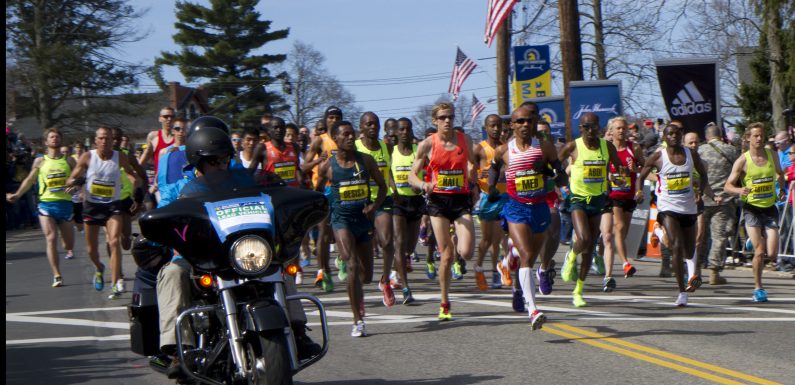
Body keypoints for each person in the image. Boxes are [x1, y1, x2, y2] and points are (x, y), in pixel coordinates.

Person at [157, 121, 320, 378]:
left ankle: (297, 331)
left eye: (223, 159)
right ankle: (178, 349)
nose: (219, 165)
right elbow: (162, 214)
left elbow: (270, 197)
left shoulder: (243, 179)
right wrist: (157, 228)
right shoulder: (180, 188)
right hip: (198, 256)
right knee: (172, 273)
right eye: (213, 161)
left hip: (240, 251)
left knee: (279, 264)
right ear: (198, 162)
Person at [488, 106, 566, 330]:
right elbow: (493, 168)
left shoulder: (545, 148)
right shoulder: (504, 150)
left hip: (540, 208)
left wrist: (550, 172)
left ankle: (514, 280)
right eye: (519, 121)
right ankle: (533, 309)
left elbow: (561, 178)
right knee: (528, 254)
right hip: (517, 208)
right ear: (512, 125)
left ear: (534, 123)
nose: (524, 125)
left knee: (528, 258)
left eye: (529, 121)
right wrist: (492, 187)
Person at [315, 120, 387, 336]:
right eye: (344, 134)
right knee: (353, 266)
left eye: (351, 134)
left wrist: (374, 206)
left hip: (363, 220)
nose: (349, 137)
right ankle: (358, 321)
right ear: (335, 139)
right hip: (341, 221)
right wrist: (321, 212)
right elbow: (317, 192)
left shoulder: (366, 160)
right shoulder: (327, 166)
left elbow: (382, 186)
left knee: (366, 277)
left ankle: (358, 293)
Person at [408, 102, 477, 321]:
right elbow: (412, 175)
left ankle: (455, 242)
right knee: (446, 256)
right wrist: (422, 185)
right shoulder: (427, 144)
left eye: (451, 117)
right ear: (435, 121)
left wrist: (474, 185)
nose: (448, 121)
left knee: (466, 252)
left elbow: (473, 165)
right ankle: (445, 302)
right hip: (438, 202)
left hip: (460, 200)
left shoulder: (465, 140)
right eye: (443, 117)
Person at [639, 124, 713, 307]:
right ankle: (682, 291)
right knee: (677, 247)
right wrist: (639, 191)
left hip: (688, 208)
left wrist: (700, 192)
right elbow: (641, 175)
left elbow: (703, 175)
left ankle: (658, 232)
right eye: (669, 134)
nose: (673, 136)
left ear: (681, 135)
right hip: (667, 208)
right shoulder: (658, 156)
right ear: (664, 137)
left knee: (689, 250)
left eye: (676, 133)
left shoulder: (690, 154)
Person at [66, 127, 145, 299]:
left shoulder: (119, 157)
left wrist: (137, 191)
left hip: (112, 205)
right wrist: (78, 180)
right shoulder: (88, 157)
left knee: (114, 241)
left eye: (107, 138)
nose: (104, 141)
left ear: (112, 141)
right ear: (96, 141)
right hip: (92, 205)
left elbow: (133, 176)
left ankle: (116, 282)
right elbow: (70, 179)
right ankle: (99, 268)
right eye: (101, 138)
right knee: (91, 249)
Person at [557, 112, 626, 307]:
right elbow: (555, 163)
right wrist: (559, 183)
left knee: (588, 250)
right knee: (585, 238)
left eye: (593, 126)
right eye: (586, 127)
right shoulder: (573, 146)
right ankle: (570, 257)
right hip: (578, 199)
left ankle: (578, 291)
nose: (590, 130)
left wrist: (619, 177)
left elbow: (619, 167)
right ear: (580, 129)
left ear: (599, 128)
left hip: (598, 200)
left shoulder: (607, 146)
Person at [724, 123, 787, 303]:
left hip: (769, 208)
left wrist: (781, 189)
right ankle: (758, 288)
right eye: (756, 136)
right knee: (759, 252)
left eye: (761, 135)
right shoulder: (742, 160)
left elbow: (780, 173)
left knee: (773, 254)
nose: (759, 139)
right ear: (748, 138)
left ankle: (753, 240)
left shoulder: (772, 155)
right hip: (751, 208)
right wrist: (739, 191)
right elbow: (728, 186)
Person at [6, 128, 77, 287]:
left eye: (57, 136)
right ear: (46, 142)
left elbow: (80, 178)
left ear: (61, 140)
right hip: (46, 204)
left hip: (65, 205)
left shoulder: (69, 160)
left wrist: (76, 187)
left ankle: (67, 245)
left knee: (68, 245)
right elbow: (30, 180)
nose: (55, 139)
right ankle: (57, 275)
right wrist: (17, 194)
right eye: (52, 137)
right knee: (51, 238)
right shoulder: (40, 161)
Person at [354, 112, 399, 306]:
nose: (373, 127)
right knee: (359, 250)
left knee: (388, 241)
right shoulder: (354, 147)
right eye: (369, 124)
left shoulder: (386, 146)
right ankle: (358, 290)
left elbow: (387, 172)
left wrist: (393, 186)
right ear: (361, 127)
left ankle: (385, 281)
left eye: (376, 124)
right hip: (358, 201)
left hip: (382, 198)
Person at [600, 116, 645, 292]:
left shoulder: (634, 148)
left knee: (621, 232)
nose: (621, 131)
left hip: (629, 196)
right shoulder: (605, 149)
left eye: (623, 128)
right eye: (618, 128)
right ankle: (626, 263)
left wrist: (638, 173)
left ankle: (602, 247)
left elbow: (646, 167)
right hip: (612, 196)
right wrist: (608, 177)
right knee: (618, 228)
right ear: (610, 131)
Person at [301, 106, 343, 292]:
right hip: (324, 190)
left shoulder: (348, 137)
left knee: (342, 230)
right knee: (324, 233)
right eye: (331, 117)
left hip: (344, 190)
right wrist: (318, 161)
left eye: (337, 117)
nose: (334, 120)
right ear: (326, 120)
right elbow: (303, 167)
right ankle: (324, 271)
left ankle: (342, 258)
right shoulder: (320, 141)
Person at [698, 122, 740, 284]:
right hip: (724, 199)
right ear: (721, 135)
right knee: (719, 236)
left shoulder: (699, 151)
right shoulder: (731, 150)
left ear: (707, 137)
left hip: (702, 199)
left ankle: (695, 268)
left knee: (700, 236)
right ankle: (714, 272)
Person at [473, 114, 509, 291]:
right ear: (486, 128)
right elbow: (470, 169)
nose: (496, 129)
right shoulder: (479, 149)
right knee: (487, 240)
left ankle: (498, 271)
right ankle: (478, 268)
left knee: (502, 238)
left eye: (498, 126)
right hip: (488, 197)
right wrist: (474, 187)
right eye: (492, 126)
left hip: (505, 196)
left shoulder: (505, 148)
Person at [391, 117, 422, 304]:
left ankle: (397, 272)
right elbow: (386, 172)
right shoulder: (391, 151)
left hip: (416, 200)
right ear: (396, 132)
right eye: (401, 129)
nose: (404, 132)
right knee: (400, 244)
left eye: (407, 129)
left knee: (410, 247)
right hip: (398, 201)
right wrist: (393, 188)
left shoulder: (418, 151)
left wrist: (420, 183)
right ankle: (405, 288)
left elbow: (426, 170)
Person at [248, 117, 303, 188]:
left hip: (292, 191)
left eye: (282, 128)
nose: (279, 130)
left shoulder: (294, 147)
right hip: (272, 191)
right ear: (269, 130)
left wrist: (301, 181)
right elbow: (251, 171)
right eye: (275, 127)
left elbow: (297, 168)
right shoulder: (262, 148)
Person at [138, 107, 176, 187]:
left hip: (176, 182)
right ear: (160, 119)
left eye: (172, 117)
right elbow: (145, 159)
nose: (169, 119)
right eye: (166, 116)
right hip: (159, 183)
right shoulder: (153, 136)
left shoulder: (179, 137)